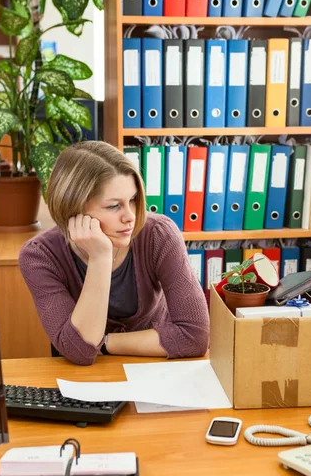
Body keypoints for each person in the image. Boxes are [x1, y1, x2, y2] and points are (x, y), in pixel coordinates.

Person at [19, 141, 209, 366]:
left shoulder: (159, 235)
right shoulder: (40, 256)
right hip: (83, 379)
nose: (130, 216)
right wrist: (100, 257)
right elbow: (80, 350)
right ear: (74, 209)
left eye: (133, 200)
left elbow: (195, 336)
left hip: (154, 368)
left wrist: (106, 342)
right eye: (113, 206)